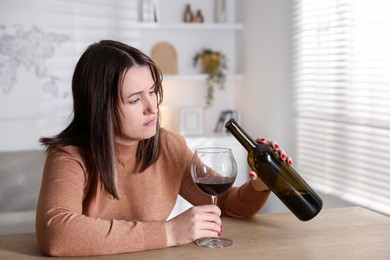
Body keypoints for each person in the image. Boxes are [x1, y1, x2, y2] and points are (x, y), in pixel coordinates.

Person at [35, 40, 292, 256]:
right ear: (100, 107)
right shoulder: (68, 156)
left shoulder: (168, 145)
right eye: (135, 99)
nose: (151, 107)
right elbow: (57, 232)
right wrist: (169, 232)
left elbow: (222, 203)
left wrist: (261, 185)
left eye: (152, 91)